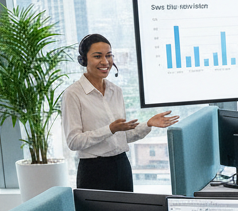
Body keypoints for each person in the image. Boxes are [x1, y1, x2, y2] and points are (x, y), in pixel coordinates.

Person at [62, 34, 179, 192]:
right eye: (98, 56)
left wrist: (148, 124)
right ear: (83, 59)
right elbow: (74, 142)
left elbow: (121, 137)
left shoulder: (115, 91)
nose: (105, 62)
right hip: (94, 171)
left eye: (109, 55)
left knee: (128, 209)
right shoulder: (73, 94)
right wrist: (110, 129)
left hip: (122, 166)